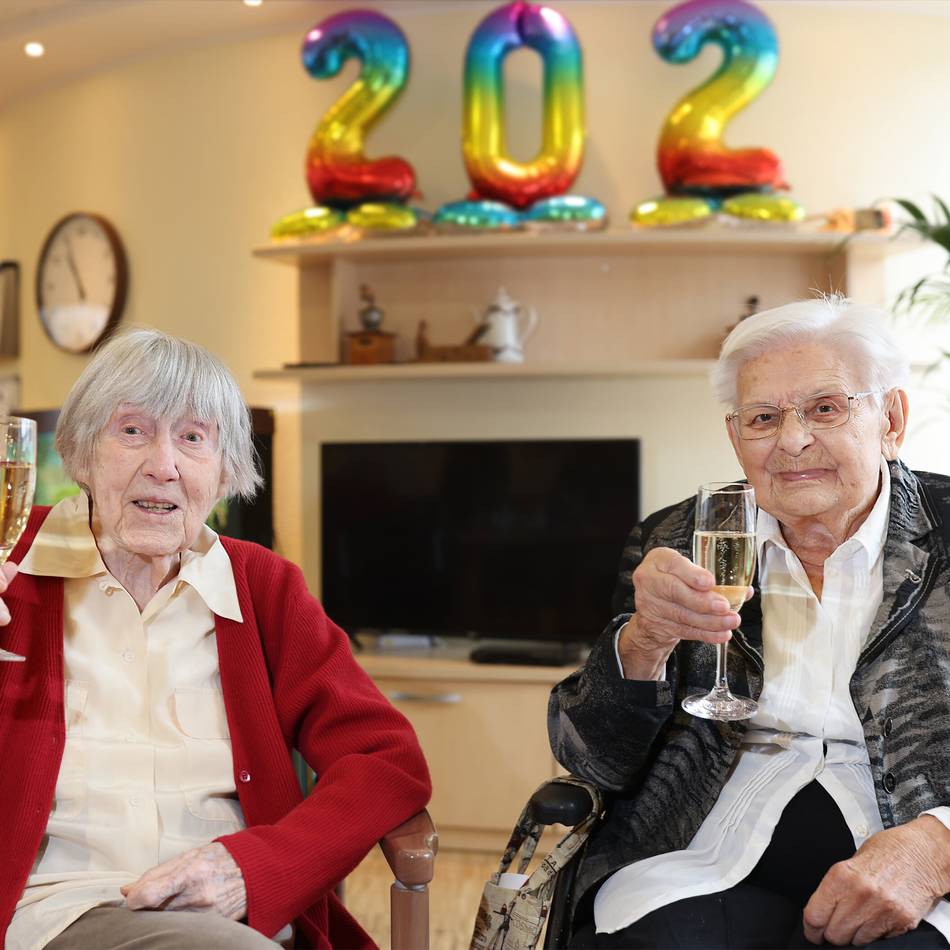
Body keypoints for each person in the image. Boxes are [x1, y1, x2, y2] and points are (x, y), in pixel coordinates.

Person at [0, 329, 431, 950]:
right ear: (79, 454)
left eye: (193, 438)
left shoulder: (264, 587)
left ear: (225, 471)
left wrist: (252, 871)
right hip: (62, 911)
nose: (164, 464)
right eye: (131, 431)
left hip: (240, 919)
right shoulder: (12, 562)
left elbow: (387, 761)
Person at [550, 297, 950, 949]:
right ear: (736, 438)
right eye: (764, 418)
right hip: (700, 853)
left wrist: (938, 845)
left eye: (825, 407)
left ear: (891, 419)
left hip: (912, 865)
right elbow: (591, 758)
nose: (792, 441)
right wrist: (643, 642)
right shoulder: (680, 538)